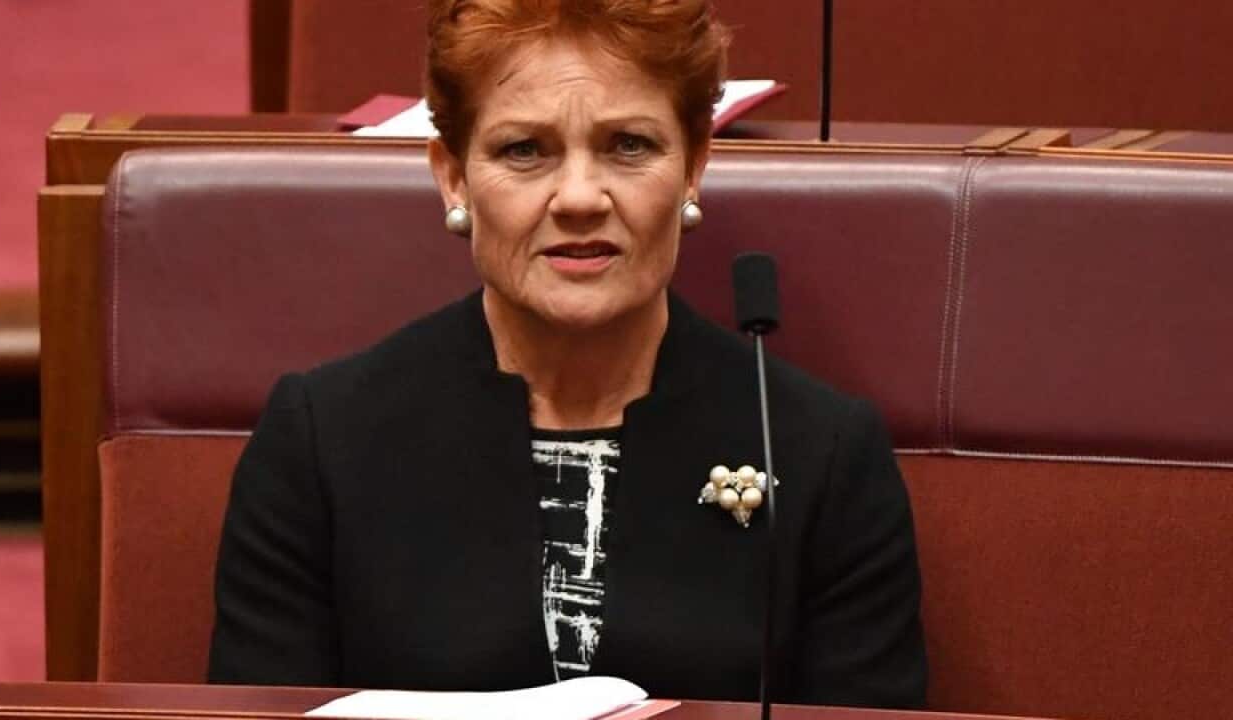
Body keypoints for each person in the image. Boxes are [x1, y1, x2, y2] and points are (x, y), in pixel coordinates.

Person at [208, 0, 926, 708]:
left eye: (629, 146)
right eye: (525, 150)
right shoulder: (321, 442)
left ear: (694, 168)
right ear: (453, 177)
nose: (580, 198)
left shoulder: (820, 451)